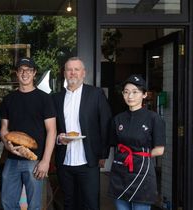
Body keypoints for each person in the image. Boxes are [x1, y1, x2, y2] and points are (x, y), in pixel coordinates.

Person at [52, 57, 112, 210]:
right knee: (68, 203)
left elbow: (105, 124)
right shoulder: (56, 99)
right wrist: (59, 139)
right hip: (64, 162)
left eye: (76, 69)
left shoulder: (96, 94)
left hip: (89, 161)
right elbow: (52, 129)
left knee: (90, 204)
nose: (73, 73)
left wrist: (103, 155)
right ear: (64, 73)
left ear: (83, 73)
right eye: (69, 70)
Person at [0, 57, 57, 209]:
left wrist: (45, 161)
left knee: (35, 206)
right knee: (8, 203)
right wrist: (7, 145)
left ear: (34, 73)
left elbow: (52, 131)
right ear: (17, 73)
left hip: (35, 160)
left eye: (29, 70)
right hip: (12, 159)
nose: (25, 73)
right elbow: (4, 128)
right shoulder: (8, 99)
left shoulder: (45, 99)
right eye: (21, 70)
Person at [108, 75, 165, 210]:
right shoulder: (118, 119)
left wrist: (139, 156)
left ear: (144, 94)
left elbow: (159, 150)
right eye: (126, 92)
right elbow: (115, 144)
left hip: (143, 172)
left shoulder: (153, 118)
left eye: (135, 92)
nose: (130, 96)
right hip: (120, 172)